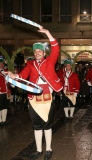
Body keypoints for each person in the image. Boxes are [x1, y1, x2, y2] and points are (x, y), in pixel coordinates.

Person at [7, 27, 62, 160]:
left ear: (44, 53)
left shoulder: (50, 61)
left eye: (39, 51)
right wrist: (14, 76)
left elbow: (55, 48)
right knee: (36, 126)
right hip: (33, 98)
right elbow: (23, 75)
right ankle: (38, 150)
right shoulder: (30, 64)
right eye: (35, 51)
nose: (37, 53)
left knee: (47, 125)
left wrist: (48, 33)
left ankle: (48, 149)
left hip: (47, 97)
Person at [0, 58, 10, 126]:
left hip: (7, 92)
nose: (1, 65)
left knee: (5, 106)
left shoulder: (6, 72)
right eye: (0, 63)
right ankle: (0, 121)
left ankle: (4, 120)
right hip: (0, 92)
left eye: (2, 63)